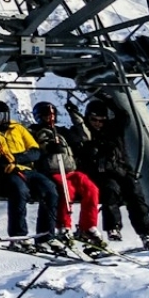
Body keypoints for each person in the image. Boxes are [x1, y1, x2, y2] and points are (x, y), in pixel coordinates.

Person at [71, 96, 149, 251]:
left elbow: (123, 117)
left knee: (135, 196)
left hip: (121, 169)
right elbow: (78, 148)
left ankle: (148, 233)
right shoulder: (83, 133)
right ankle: (113, 227)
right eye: (94, 120)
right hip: (101, 173)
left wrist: (109, 101)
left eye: (101, 120)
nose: (98, 123)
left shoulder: (113, 129)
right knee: (110, 191)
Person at [0, 99, 61, 244]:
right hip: (3, 173)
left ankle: (46, 235)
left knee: (50, 189)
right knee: (19, 190)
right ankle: (18, 236)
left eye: (2, 115)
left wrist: (16, 159)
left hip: (26, 170)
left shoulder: (18, 128)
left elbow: (35, 151)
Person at [30, 102, 103, 253]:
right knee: (65, 190)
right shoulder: (34, 131)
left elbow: (84, 135)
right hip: (52, 171)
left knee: (92, 189)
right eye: (46, 115)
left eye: (52, 115)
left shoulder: (62, 131)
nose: (50, 118)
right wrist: (46, 147)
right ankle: (63, 226)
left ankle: (88, 227)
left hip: (70, 169)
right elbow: (32, 146)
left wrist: (75, 115)